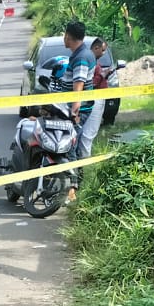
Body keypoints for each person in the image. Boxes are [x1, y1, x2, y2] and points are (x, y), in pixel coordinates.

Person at [63, 20, 97, 203]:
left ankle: (72, 189)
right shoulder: (80, 54)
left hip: (78, 110)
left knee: (70, 145)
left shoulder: (82, 57)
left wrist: (74, 113)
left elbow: (78, 88)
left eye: (64, 35)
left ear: (68, 36)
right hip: (76, 108)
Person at [78, 36, 109, 160]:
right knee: (88, 134)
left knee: (88, 133)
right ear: (96, 48)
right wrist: (103, 75)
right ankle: (84, 162)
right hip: (94, 99)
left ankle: (82, 160)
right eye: (103, 50)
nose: (104, 53)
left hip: (95, 99)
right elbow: (90, 83)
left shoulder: (93, 61)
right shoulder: (90, 61)